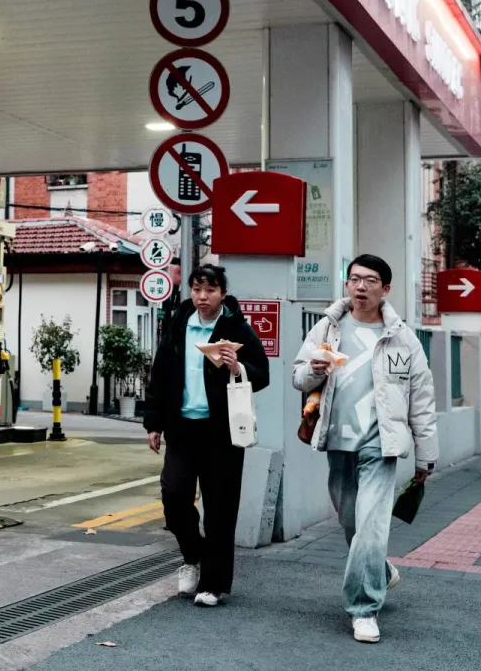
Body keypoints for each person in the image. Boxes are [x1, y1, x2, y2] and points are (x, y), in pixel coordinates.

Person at [292, 254, 436, 645]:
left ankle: (364, 609)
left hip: (380, 443)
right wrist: (315, 371)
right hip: (338, 441)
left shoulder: (402, 337)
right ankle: (380, 570)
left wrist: (425, 455)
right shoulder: (328, 327)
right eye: (354, 279)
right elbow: (298, 376)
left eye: (370, 280)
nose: (360, 287)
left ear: (385, 289)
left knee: (372, 526)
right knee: (352, 524)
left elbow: (421, 398)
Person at [144, 264, 269, 607]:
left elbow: (262, 374)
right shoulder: (178, 325)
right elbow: (160, 375)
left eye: (210, 290)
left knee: (220, 509)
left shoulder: (236, 328)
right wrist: (153, 423)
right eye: (197, 289)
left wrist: (237, 367)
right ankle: (192, 555)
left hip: (223, 434)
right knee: (174, 495)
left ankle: (213, 584)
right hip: (182, 428)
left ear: (222, 294)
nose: (202, 296)